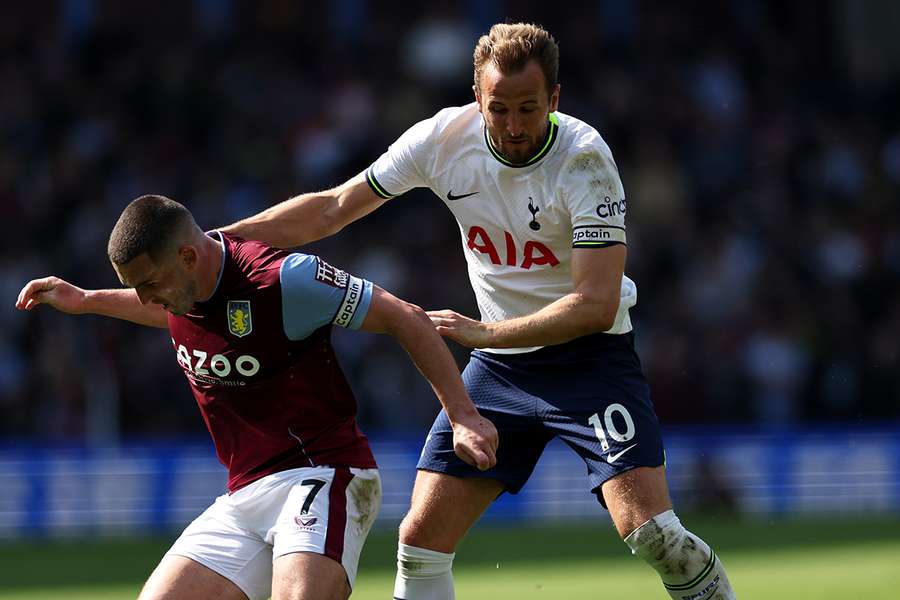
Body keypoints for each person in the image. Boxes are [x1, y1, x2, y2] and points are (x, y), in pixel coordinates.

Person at [224, 22, 737, 600]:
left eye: (529, 108)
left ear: (556, 100)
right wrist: (219, 242)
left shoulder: (585, 160)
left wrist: (483, 331)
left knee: (653, 535)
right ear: (477, 99)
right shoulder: (441, 141)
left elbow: (595, 305)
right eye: (499, 109)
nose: (514, 127)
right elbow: (332, 209)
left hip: (591, 362)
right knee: (420, 542)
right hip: (500, 370)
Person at [15, 195, 498, 600]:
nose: (145, 298)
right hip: (245, 493)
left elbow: (405, 316)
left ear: (187, 257)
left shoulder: (283, 280)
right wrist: (86, 300)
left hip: (322, 471)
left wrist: (462, 414)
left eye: (149, 284)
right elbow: (173, 312)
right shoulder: (180, 290)